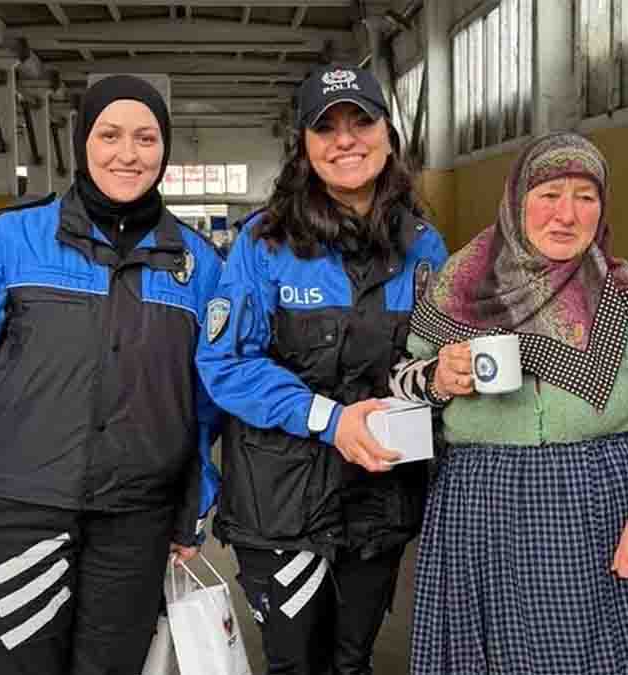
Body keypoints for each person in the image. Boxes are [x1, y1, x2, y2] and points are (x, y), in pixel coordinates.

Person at [0, 75, 223, 675]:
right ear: (83, 142)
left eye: (146, 138)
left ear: (165, 150)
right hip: (19, 511)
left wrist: (192, 510)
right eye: (110, 135)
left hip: (136, 519)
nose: (128, 154)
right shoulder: (10, 241)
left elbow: (203, 405)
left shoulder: (196, 264)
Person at [390, 132, 628, 674]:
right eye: (548, 194)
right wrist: (437, 377)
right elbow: (401, 383)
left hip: (606, 516)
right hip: (483, 516)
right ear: (517, 199)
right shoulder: (457, 287)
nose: (566, 214)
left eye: (585, 196)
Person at [195, 65, 448, 675]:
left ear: (388, 136)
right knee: (294, 664)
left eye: (361, 121)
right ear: (304, 148)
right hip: (279, 499)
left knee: (352, 660)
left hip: (378, 493)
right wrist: (327, 418)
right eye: (325, 126)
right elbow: (225, 363)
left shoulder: (424, 247)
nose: (346, 139)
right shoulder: (265, 243)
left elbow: (432, 366)